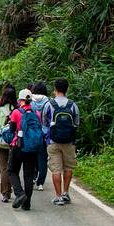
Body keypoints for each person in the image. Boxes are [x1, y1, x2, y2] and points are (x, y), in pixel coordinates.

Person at [42, 77, 81, 206]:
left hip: (53, 141)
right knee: (68, 167)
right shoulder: (73, 105)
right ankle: (66, 193)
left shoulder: (49, 104)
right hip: (69, 141)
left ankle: (58, 197)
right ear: (67, 89)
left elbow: (45, 123)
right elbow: (76, 123)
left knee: (56, 169)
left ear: (55, 89)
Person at [7, 88, 43, 211]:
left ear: (20, 100)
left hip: (19, 145)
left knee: (12, 170)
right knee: (28, 175)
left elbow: (12, 130)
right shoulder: (36, 113)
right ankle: (27, 203)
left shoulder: (16, 112)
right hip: (33, 147)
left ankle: (19, 194)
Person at [30, 82, 51, 191]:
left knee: (32, 156)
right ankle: (41, 183)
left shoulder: (30, 101)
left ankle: (32, 176)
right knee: (42, 158)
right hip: (44, 133)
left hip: (32, 132)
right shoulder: (48, 102)